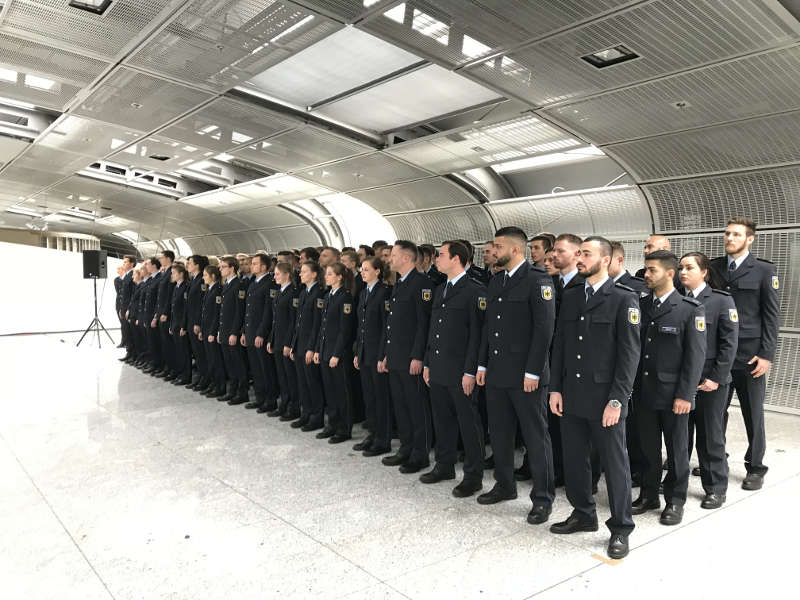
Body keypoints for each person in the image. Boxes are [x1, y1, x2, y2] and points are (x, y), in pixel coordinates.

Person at [548, 237, 640, 560]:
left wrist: (618, 400)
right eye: (579, 253)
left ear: (606, 259)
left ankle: (620, 528)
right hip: (572, 395)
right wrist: (555, 388)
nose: (579, 258)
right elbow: (559, 344)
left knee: (615, 464)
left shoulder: (623, 299)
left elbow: (630, 356)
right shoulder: (572, 295)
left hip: (605, 400)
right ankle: (583, 513)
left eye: (586, 254)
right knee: (575, 459)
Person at [475, 226, 556, 525]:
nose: (493, 251)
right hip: (497, 372)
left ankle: (543, 498)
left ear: (515, 249)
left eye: (498, 246)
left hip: (526, 376)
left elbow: (544, 330)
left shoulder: (538, 281)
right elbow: (488, 327)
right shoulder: (497, 281)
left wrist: (533, 370)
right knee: (500, 433)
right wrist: (482, 365)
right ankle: (505, 485)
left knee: (535, 437)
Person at [632, 250, 706, 526]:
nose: (646, 275)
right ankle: (649, 495)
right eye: (646, 270)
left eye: (652, 270)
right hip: (644, 392)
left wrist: (686, 395)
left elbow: (695, 357)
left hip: (675, 395)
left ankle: (675, 500)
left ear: (669, 273)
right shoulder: (640, 305)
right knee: (648, 448)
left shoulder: (689, 310)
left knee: (676, 452)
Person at [710, 217, 779, 491]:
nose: (729, 238)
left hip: (750, 356)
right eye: (727, 234)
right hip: (718, 354)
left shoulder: (763, 270)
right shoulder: (714, 267)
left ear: (749, 239)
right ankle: (717, 460)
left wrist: (767, 354)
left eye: (736, 235)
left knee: (753, 413)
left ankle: (756, 466)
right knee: (716, 412)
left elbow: (771, 316)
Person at [422, 241, 486, 497]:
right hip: (438, 368)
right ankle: (444, 465)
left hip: (461, 371)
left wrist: (470, 371)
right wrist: (427, 362)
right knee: (442, 420)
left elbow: (478, 335)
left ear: (457, 259)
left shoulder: (475, 291)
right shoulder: (440, 290)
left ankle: (473, 476)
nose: (437, 259)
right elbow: (433, 330)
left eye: (441, 255)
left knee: (469, 424)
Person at [679, 252, 738, 508]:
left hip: (709, 381)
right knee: (680, 436)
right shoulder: (676, 300)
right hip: (681, 381)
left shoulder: (721, 301)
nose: (683, 272)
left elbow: (729, 344)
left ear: (703, 272)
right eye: (680, 267)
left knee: (710, 435)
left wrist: (716, 377)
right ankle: (676, 481)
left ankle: (715, 486)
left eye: (689, 267)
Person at [379, 240, 433, 473]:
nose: (390, 259)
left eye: (393, 255)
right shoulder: (399, 283)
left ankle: (420, 454)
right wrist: (386, 355)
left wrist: (418, 357)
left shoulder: (422, 284)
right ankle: (406, 448)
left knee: (416, 406)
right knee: (401, 405)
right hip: (397, 356)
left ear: (407, 258)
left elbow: (424, 325)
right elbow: (392, 325)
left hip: (411, 358)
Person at [354, 256, 392, 456]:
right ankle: (372, 433)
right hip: (365, 353)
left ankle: (382, 439)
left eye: (367, 269)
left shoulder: (384, 293)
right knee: (369, 397)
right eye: (362, 269)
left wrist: (383, 355)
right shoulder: (363, 293)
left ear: (378, 271)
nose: (362, 272)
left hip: (377, 354)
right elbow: (361, 327)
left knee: (380, 398)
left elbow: (387, 327)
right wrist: (358, 352)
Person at [314, 262, 356, 443]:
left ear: (339, 277)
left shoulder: (345, 298)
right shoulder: (328, 296)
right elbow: (322, 327)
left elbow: (344, 330)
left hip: (337, 354)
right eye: (326, 274)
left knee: (341, 392)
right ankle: (332, 424)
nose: (326, 277)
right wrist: (318, 349)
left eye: (330, 274)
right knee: (330, 390)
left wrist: (336, 354)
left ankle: (344, 428)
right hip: (325, 351)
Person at [291, 261, 326, 431]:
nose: (300, 274)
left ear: (313, 274)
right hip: (300, 345)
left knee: (312, 382)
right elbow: (298, 323)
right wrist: (293, 345)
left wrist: (312, 348)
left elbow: (317, 325)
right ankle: (306, 413)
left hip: (309, 346)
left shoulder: (318, 294)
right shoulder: (304, 293)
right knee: (302, 381)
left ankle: (316, 417)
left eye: (304, 271)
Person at [241, 253, 273, 411]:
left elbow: (268, 312)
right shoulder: (253, 282)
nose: (251, 266)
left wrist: (261, 333)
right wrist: (244, 332)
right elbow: (247, 311)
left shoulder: (269, 284)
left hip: (261, 333)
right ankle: (260, 398)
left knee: (265, 368)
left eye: (254, 263)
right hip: (250, 331)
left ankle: (270, 400)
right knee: (256, 367)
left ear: (264, 267)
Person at [267, 262, 299, 419]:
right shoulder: (280, 292)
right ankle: (284, 404)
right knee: (282, 376)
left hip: (286, 341)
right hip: (277, 340)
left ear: (287, 274)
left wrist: (288, 343)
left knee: (290, 377)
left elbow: (293, 322)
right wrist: (271, 340)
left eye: (278, 274)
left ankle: (294, 408)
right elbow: (275, 320)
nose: (275, 276)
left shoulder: (293, 293)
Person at [218, 256, 248, 405]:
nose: (220, 269)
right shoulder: (226, 285)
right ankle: (233, 390)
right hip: (224, 330)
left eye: (223, 266)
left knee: (238, 363)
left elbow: (239, 312)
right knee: (229, 362)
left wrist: (234, 332)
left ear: (231, 268)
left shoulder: (239, 285)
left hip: (232, 331)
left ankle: (242, 392)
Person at [201, 265, 226, 398]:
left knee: (216, 360)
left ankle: (220, 386)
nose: (203, 277)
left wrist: (212, 332)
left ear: (213, 276)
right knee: (210, 359)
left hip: (212, 331)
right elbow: (205, 312)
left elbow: (216, 314)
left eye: (205, 275)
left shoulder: (217, 290)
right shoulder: (209, 289)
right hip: (206, 330)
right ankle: (214, 384)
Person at [185, 255, 209, 392]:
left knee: (201, 353)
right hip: (190, 320)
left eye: (190, 263)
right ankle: (200, 377)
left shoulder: (201, 280)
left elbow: (201, 304)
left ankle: (205, 379)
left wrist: (197, 323)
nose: (187, 265)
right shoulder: (193, 279)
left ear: (197, 265)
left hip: (196, 322)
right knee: (197, 352)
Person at [168, 264, 192, 385]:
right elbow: (173, 309)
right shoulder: (176, 287)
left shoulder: (185, 287)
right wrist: (171, 325)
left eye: (174, 273)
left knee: (184, 351)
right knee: (178, 350)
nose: (171, 275)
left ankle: (186, 375)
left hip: (181, 325)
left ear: (181, 274)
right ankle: (180, 372)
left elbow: (185, 309)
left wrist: (183, 326)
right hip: (175, 324)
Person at [154, 251, 175, 378]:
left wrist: (166, 312)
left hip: (166, 313)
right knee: (164, 342)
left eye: (161, 257)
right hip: (161, 311)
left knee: (169, 344)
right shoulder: (164, 272)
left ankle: (172, 369)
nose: (160, 260)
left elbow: (169, 295)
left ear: (168, 258)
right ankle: (166, 367)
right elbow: (160, 296)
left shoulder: (172, 272)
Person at [118, 255, 136, 360]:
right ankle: (129, 353)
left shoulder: (133, 274)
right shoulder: (126, 275)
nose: (123, 264)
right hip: (124, 308)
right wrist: (121, 308)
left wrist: (129, 309)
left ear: (132, 263)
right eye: (123, 262)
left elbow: (133, 295)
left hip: (129, 309)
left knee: (130, 332)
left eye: (125, 262)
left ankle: (132, 354)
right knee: (126, 331)